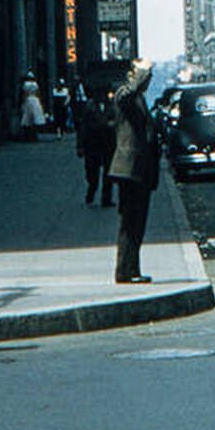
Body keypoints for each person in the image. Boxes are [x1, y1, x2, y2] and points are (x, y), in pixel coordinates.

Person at [109, 58, 158, 284]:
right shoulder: (124, 94)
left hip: (141, 170)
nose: (148, 80)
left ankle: (132, 269)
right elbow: (126, 96)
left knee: (137, 223)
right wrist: (140, 74)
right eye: (145, 76)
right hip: (130, 169)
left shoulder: (139, 98)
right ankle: (125, 271)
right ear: (134, 74)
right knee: (130, 222)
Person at [76, 84, 116, 206]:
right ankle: (92, 190)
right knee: (92, 171)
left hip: (108, 143)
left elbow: (118, 122)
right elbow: (83, 127)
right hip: (93, 143)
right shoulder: (89, 107)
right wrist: (80, 146)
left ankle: (106, 198)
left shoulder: (112, 107)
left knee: (109, 172)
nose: (103, 96)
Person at [15, 76, 46, 142]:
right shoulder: (35, 84)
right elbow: (38, 93)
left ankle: (28, 136)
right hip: (35, 100)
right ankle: (33, 135)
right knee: (34, 119)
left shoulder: (25, 84)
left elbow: (23, 93)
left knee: (27, 119)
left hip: (28, 100)